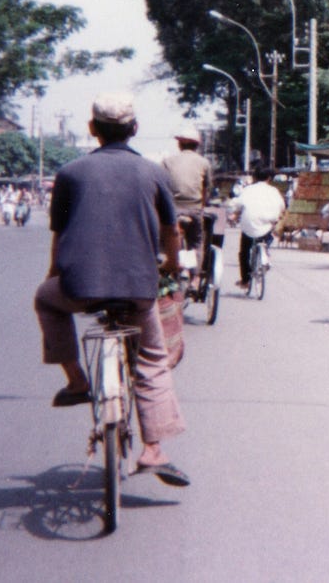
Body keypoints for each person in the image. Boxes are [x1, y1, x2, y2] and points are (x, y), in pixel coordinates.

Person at [32, 92, 190, 486]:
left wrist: (57, 276)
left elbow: (60, 235)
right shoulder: (153, 173)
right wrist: (170, 265)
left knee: (44, 299)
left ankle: (76, 379)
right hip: (139, 288)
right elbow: (172, 232)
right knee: (152, 359)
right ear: (134, 130)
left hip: (78, 284)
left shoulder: (70, 173)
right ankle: (153, 448)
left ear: (92, 129)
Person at [162, 123, 214, 271]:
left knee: (163, 241)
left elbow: (161, 187)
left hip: (172, 211)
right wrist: (201, 208)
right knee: (197, 243)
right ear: (197, 145)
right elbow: (206, 189)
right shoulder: (204, 162)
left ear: (179, 144)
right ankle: (195, 279)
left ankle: (166, 272)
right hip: (194, 210)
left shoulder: (168, 161)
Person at [227, 166, 285, 289]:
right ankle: (266, 254)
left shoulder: (248, 190)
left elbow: (237, 205)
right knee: (268, 237)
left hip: (249, 225)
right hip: (267, 224)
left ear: (255, 177)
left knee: (244, 252)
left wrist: (234, 214)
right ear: (269, 178)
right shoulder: (274, 191)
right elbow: (282, 207)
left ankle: (245, 281)